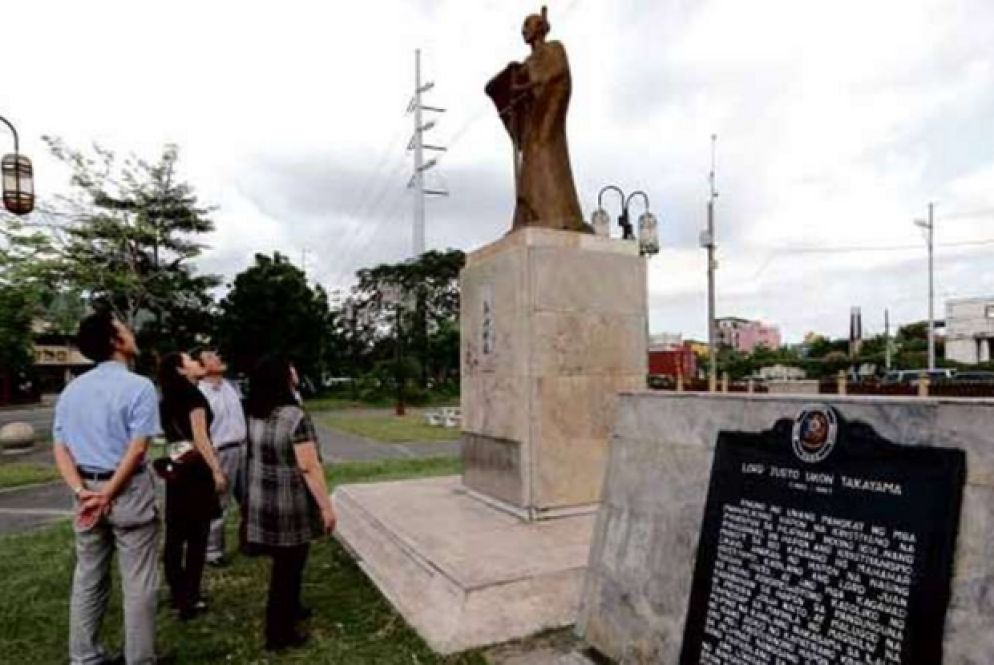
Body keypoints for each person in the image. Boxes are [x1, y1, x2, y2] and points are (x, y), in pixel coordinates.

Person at [53, 310, 161, 664]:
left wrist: (82, 492)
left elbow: (61, 447)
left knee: (88, 578)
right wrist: (109, 493)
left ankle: (84, 657)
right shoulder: (140, 386)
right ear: (116, 341)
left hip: (85, 490)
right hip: (125, 491)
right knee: (138, 582)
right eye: (124, 328)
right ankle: (139, 659)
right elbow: (139, 446)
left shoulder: (71, 391)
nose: (131, 332)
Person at [243, 356, 336, 651]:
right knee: (288, 568)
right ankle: (278, 634)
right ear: (282, 377)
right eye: (290, 368)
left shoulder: (255, 413)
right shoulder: (295, 417)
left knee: (287, 564)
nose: (295, 371)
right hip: (289, 504)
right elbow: (309, 466)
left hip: (262, 499)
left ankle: (293, 608)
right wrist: (326, 507)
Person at [157, 352, 228, 621]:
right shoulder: (194, 396)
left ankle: (177, 591)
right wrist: (216, 470)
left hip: (178, 468)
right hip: (196, 471)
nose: (197, 363)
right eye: (190, 360)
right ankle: (191, 595)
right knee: (197, 536)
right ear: (179, 369)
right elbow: (200, 437)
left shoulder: (166, 399)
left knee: (175, 535)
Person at [195, 348, 247, 566]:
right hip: (220, 451)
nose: (217, 358)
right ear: (201, 367)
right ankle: (213, 551)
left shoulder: (231, 386)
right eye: (210, 357)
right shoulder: (200, 394)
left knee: (249, 498)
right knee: (219, 503)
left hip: (242, 448)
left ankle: (250, 541)